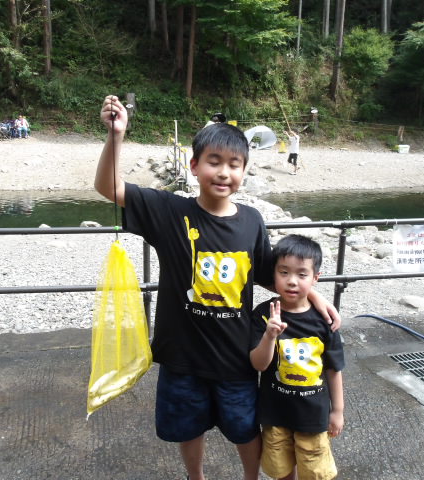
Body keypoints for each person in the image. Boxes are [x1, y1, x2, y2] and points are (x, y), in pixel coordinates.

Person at [95, 95, 341, 480]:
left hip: (236, 358)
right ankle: (196, 477)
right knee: (187, 428)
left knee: (245, 429)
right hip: (182, 357)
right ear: (194, 166)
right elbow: (108, 187)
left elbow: (269, 273)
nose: (224, 172)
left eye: (234, 164)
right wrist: (116, 136)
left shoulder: (252, 221)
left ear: (244, 170)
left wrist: (313, 293)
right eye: (214, 162)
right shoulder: (170, 211)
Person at [250, 234, 344, 480]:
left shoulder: (324, 321)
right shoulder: (263, 314)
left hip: (313, 415)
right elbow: (259, 364)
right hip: (275, 413)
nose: (292, 281)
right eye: (284, 272)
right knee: (280, 468)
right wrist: (269, 336)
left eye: (302, 274)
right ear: (273, 274)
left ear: (315, 278)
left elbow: (334, 369)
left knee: (315, 471)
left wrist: (338, 411)